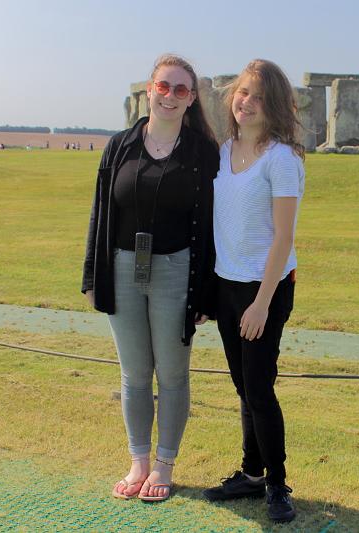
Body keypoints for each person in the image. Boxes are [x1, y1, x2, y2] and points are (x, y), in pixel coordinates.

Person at [82, 54, 219, 502]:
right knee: (134, 374)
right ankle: (138, 459)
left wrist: (206, 292)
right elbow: (101, 212)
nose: (170, 96)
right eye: (164, 86)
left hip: (177, 268)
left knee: (173, 374)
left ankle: (164, 462)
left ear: (192, 98)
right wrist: (92, 276)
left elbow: (212, 222)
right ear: (149, 87)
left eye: (181, 90)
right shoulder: (120, 144)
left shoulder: (202, 151)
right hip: (122, 266)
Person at [202, 59, 305, 524]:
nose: (247, 102)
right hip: (226, 286)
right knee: (243, 386)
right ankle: (250, 472)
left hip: (265, 289)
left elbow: (283, 238)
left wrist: (262, 304)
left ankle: (277, 484)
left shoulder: (281, 158)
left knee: (259, 389)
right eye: (243, 92)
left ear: (276, 105)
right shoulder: (222, 152)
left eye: (259, 96)